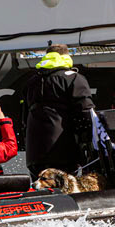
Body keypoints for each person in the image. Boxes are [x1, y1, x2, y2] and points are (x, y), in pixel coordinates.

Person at [24, 44, 96, 179]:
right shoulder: (74, 78)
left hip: (34, 154)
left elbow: (24, 117)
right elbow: (86, 112)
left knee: (41, 187)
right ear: (66, 57)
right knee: (66, 188)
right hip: (63, 150)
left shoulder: (31, 82)